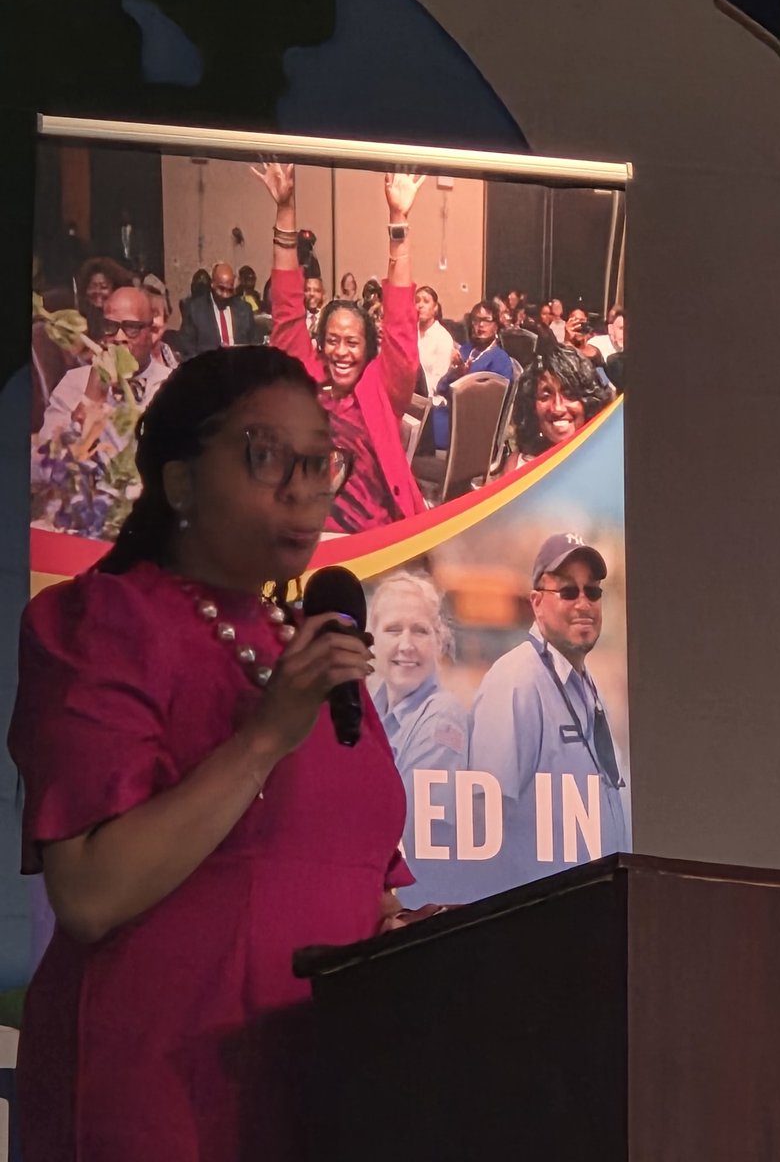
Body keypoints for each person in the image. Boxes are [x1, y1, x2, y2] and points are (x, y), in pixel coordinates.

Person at [11, 344, 423, 1161]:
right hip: (162, 1096)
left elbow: (348, 876)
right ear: (180, 483)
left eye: (318, 460)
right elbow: (91, 892)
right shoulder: (105, 622)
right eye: (267, 456)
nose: (302, 487)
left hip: (320, 1090)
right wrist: (266, 737)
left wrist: (403, 930)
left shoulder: (312, 651)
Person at [254, 160, 427, 533]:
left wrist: (399, 221)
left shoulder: (382, 390)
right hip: (306, 536)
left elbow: (400, 325)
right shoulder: (305, 382)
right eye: (332, 341)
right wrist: (285, 210)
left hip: (372, 540)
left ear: (367, 350)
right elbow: (286, 312)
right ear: (320, 345)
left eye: (352, 342)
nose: (341, 352)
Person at [464, 533, 629, 898]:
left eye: (593, 592)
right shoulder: (517, 680)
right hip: (539, 922)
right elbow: (483, 823)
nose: (584, 603)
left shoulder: (584, 684)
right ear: (537, 604)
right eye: (568, 592)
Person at [368, 571, 467, 904]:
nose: (406, 645)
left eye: (420, 631)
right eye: (393, 629)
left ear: (439, 642)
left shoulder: (442, 718)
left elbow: (404, 829)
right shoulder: (369, 708)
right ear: (373, 639)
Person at [38, 286, 172, 452]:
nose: (119, 337)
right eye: (110, 326)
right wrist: (88, 402)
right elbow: (44, 462)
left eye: (132, 328)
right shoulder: (75, 383)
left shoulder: (173, 386)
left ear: (151, 332)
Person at [504, 346, 612, 472]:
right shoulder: (517, 468)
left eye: (569, 394)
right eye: (545, 396)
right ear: (532, 407)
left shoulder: (611, 463)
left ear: (589, 401)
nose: (557, 408)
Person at [430, 301, 514, 451]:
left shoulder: (500, 359)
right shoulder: (466, 350)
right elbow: (441, 388)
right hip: (451, 414)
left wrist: (464, 378)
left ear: (496, 325)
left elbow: (492, 404)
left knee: (424, 429)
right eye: (476, 320)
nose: (480, 325)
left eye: (486, 320)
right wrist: (455, 374)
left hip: (472, 426)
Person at [178, 262, 256, 358]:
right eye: (221, 289)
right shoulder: (195, 310)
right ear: (212, 284)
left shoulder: (244, 310)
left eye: (229, 290)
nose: (225, 295)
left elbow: (253, 346)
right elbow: (187, 349)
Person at [415, 284, 457, 395]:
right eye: (417, 301)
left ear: (435, 308)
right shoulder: (409, 332)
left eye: (426, 301)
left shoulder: (443, 338)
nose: (420, 305)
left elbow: (439, 382)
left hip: (431, 400)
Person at [303, 276, 326, 340]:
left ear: (322, 294)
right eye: (308, 290)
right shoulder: (296, 319)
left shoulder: (327, 319)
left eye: (317, 290)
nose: (312, 294)